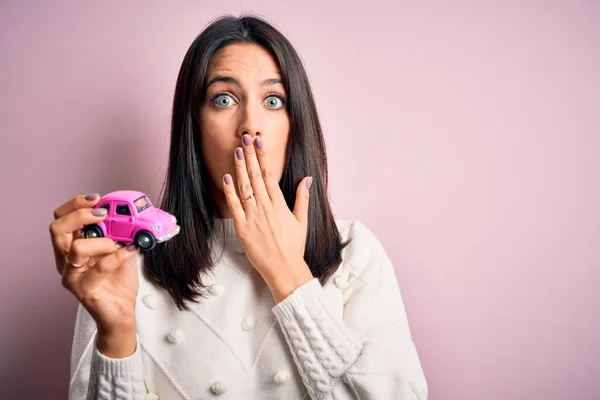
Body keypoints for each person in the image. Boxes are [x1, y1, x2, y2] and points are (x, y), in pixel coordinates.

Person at [49, 14, 428, 400]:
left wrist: (289, 277)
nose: (250, 126)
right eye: (224, 99)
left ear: (296, 125)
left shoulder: (355, 251)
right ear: (193, 125)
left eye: (273, 100)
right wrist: (116, 334)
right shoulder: (125, 263)